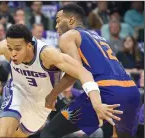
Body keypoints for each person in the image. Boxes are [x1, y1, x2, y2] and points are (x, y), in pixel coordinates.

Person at [0, 23, 121, 137]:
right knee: (4, 134)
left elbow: (83, 73)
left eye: (18, 48)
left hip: (40, 105)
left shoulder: (48, 55)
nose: (12, 53)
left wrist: (96, 102)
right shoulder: (9, 48)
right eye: (10, 48)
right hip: (17, 91)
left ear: (30, 45)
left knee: (16, 136)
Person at [41, 4, 140, 138]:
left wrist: (52, 95)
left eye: (58, 21)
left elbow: (75, 71)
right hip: (132, 91)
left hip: (106, 91)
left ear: (71, 20)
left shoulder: (68, 36)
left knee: (50, 132)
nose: (56, 26)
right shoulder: (98, 37)